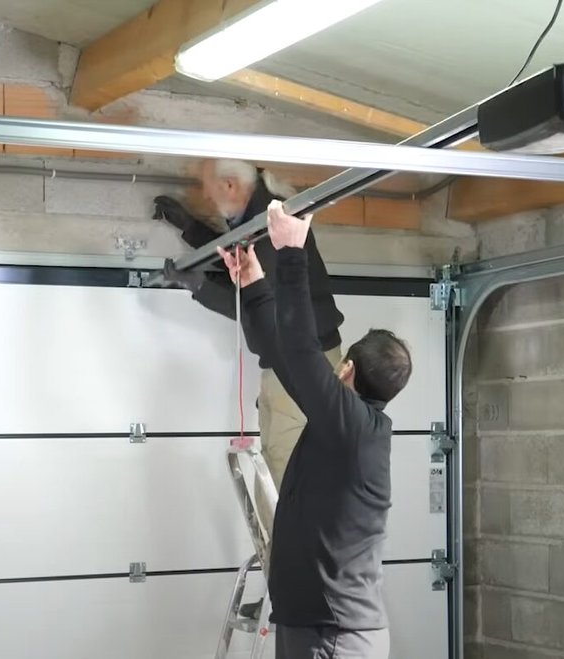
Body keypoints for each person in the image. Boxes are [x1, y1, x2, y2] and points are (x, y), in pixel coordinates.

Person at [216, 200, 413, 659]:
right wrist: (254, 284)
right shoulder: (345, 426)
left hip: (335, 637)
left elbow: (303, 354)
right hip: (317, 628)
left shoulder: (357, 429)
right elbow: (285, 358)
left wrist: (291, 252)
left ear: (344, 370)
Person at [153, 159, 346, 488]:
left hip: (302, 358)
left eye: (210, 191)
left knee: (283, 460)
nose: (209, 199)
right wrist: (190, 228)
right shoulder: (259, 214)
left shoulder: (269, 229)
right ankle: (286, 534)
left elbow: (253, 301)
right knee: (276, 455)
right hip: (291, 357)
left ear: (230, 186)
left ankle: (289, 538)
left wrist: (199, 286)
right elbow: (240, 260)